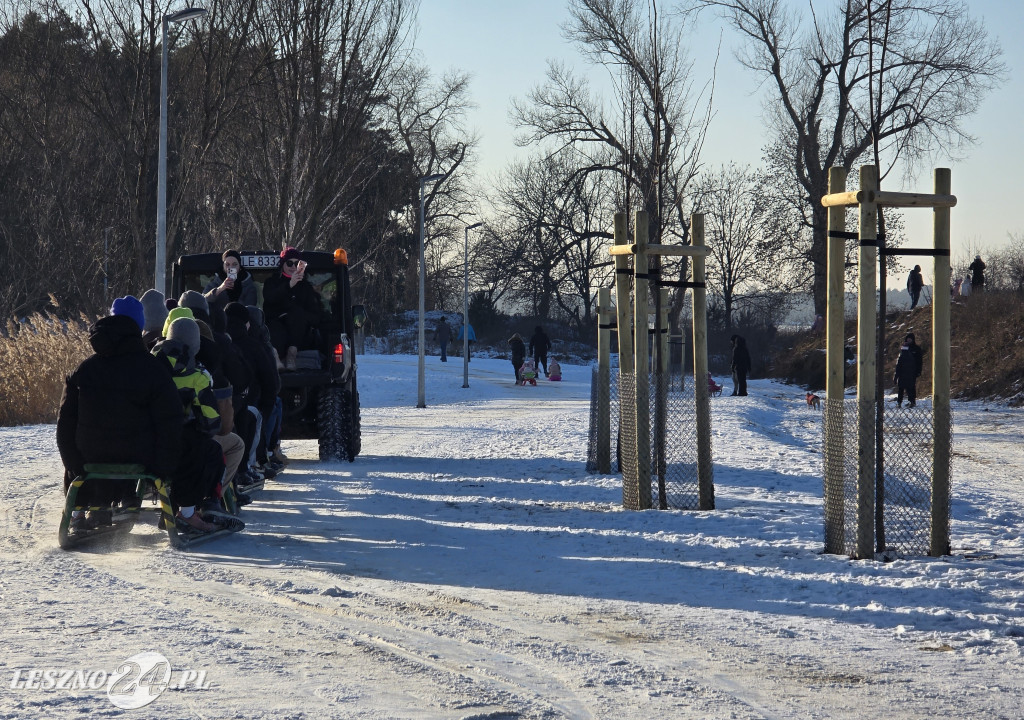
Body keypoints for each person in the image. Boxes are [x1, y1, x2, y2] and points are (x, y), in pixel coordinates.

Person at [56, 296, 182, 531]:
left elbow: (65, 423)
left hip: (89, 455)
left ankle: (82, 511)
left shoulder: (83, 370)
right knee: (127, 444)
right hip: (138, 455)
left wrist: (72, 463)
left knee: (95, 448)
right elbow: (170, 422)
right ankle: (126, 501)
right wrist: (162, 467)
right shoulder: (154, 369)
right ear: (139, 326)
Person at [152, 317, 230, 532]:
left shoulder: (148, 367)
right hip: (180, 445)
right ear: (195, 346)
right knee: (209, 450)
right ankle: (188, 511)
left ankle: (170, 508)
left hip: (146, 443)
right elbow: (211, 422)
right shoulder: (197, 377)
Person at [263, 247, 323, 370]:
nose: (293, 266)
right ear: (282, 264)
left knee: (297, 314)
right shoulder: (272, 282)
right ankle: (275, 357)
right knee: (275, 328)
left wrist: (298, 314)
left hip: (298, 334)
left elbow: (316, 315)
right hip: (275, 327)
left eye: (297, 263)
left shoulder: (305, 287)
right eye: (289, 263)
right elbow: (270, 298)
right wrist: (290, 285)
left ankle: (292, 355)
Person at [203, 249, 258, 314]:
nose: (231, 268)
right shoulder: (214, 284)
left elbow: (250, 309)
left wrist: (236, 291)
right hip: (219, 322)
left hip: (240, 322)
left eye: (234, 264)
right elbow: (203, 301)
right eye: (227, 264)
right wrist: (220, 289)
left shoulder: (248, 286)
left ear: (239, 266)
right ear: (223, 266)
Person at [893, 332, 924, 408]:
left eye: (910, 339)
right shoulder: (903, 348)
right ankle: (899, 402)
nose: (909, 340)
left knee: (911, 387)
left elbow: (919, 361)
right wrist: (897, 373)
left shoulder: (916, 349)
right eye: (908, 338)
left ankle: (912, 401)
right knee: (901, 387)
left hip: (912, 371)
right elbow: (899, 361)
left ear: (913, 340)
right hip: (902, 371)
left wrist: (918, 371)